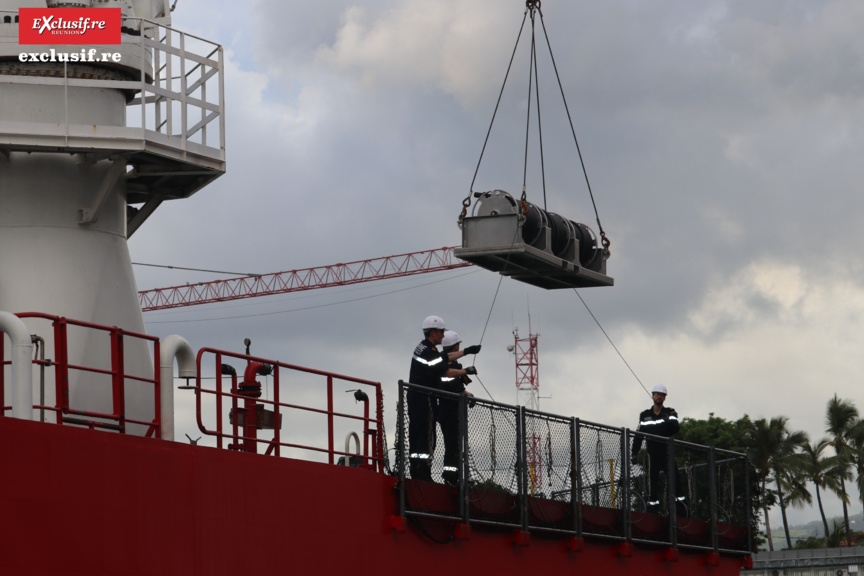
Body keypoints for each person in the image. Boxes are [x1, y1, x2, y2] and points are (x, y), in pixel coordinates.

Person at [407, 316, 480, 482]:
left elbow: (444, 358)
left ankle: (417, 471)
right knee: (426, 437)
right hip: (424, 399)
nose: (442, 335)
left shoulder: (425, 348)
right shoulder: (428, 352)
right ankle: (423, 475)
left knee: (418, 436)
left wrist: (467, 351)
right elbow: (446, 371)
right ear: (433, 332)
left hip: (419, 398)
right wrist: (466, 371)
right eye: (441, 332)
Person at [630, 383, 686, 516]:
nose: (659, 397)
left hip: (666, 453)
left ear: (664, 398)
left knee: (674, 480)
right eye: (657, 394)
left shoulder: (670, 412)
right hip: (652, 454)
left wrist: (669, 421)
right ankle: (652, 511)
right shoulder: (645, 415)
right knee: (651, 483)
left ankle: (681, 511)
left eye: (662, 395)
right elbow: (639, 435)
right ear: (653, 396)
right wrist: (634, 453)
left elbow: (676, 429)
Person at [437, 330, 476, 486]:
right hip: (450, 409)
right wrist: (463, 392)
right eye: (458, 344)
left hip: (450, 408)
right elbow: (450, 384)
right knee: (453, 444)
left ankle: (454, 475)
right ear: (455, 346)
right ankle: (451, 477)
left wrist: (467, 394)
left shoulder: (448, 363)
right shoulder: (447, 365)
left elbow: (456, 386)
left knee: (455, 444)